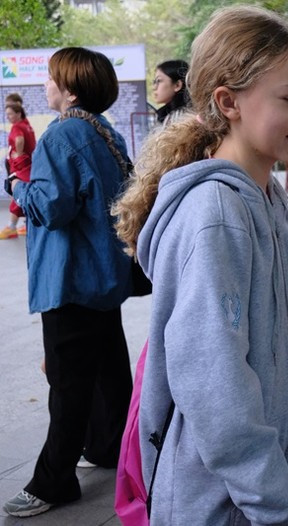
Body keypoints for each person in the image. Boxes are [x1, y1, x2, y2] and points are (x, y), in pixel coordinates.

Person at [112, 6, 288, 525]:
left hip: (271, 491)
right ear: (227, 102)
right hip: (235, 506)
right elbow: (212, 379)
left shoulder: (264, 196)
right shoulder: (217, 213)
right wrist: (269, 497)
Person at [2, 47, 134, 518]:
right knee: (108, 372)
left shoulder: (62, 135)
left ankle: (54, 481)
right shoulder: (106, 132)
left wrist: (17, 187)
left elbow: (52, 208)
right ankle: (108, 448)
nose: (46, 86)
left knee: (68, 380)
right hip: (103, 276)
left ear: (71, 89)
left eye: (52, 79)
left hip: (70, 278)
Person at [0, 99, 36, 239]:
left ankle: (11, 227)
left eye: (10, 114)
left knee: (17, 192)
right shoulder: (26, 125)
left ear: (18, 113)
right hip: (28, 164)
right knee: (26, 191)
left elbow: (19, 140)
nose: (8, 117)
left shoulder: (17, 127)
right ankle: (26, 224)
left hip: (20, 165)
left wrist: (18, 154)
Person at [151, 59, 189, 126]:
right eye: (154, 82)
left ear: (177, 85)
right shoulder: (165, 114)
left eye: (159, 81)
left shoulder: (182, 118)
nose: (154, 88)